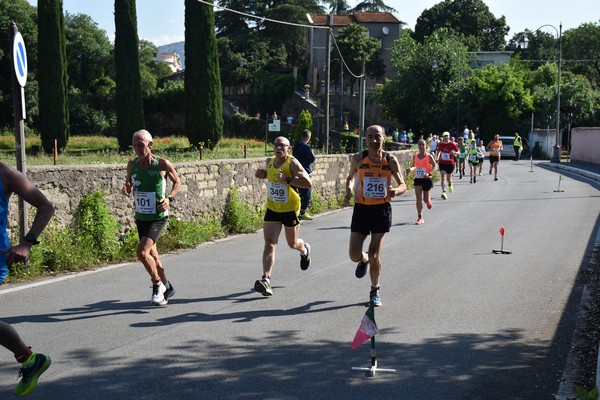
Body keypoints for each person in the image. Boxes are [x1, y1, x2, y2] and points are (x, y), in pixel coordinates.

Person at [0, 163, 55, 397]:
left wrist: (27, 242)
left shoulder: (5, 174)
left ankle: (30, 360)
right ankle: (30, 360)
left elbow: (46, 207)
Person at [344, 125, 407, 306]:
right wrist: (349, 190)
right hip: (362, 209)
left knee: (374, 254)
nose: (373, 141)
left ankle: (375, 290)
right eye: (370, 137)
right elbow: (350, 178)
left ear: (384, 139)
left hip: (381, 210)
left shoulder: (390, 160)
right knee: (354, 254)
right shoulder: (358, 159)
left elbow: (403, 184)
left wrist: (396, 190)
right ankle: (362, 260)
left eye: (377, 137)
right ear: (365, 139)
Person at [122, 129, 181, 306]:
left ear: (150, 145)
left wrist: (169, 199)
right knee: (153, 258)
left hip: (158, 216)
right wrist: (126, 188)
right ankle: (168, 286)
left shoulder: (162, 164)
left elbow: (177, 181)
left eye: (141, 145)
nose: (138, 149)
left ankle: (157, 285)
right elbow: (129, 183)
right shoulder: (132, 164)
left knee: (141, 252)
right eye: (135, 146)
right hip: (141, 216)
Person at [254, 136, 312, 296]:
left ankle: (304, 249)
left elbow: (308, 183)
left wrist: (287, 179)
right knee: (270, 243)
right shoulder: (269, 161)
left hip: (290, 209)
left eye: (282, 146)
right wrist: (262, 174)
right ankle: (266, 279)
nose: (279, 148)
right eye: (276, 145)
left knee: (292, 243)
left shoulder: (292, 163)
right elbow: (270, 174)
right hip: (273, 207)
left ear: (289, 148)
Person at [406, 139, 436, 225]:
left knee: (425, 200)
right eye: (420, 145)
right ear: (418, 147)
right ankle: (420, 217)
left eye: (423, 145)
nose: (421, 147)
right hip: (418, 178)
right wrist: (410, 169)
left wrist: (429, 173)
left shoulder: (429, 156)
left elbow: (435, 166)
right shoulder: (415, 156)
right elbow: (414, 166)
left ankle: (428, 200)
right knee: (418, 198)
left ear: (426, 146)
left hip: (426, 179)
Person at [292, 129, 316, 220]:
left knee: (297, 194)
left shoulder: (296, 146)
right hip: (305, 172)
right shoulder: (306, 147)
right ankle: (302, 212)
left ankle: (296, 212)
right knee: (306, 193)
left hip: (296, 171)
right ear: (308, 137)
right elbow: (312, 159)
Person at [436, 131, 459, 199]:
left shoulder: (452, 144)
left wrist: (454, 152)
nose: (446, 137)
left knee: (448, 179)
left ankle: (450, 184)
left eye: (447, 136)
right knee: (443, 177)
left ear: (449, 137)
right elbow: (439, 152)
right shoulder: (441, 144)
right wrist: (437, 158)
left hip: (450, 163)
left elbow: (458, 152)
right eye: (444, 136)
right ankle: (444, 192)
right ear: (443, 137)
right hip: (442, 163)